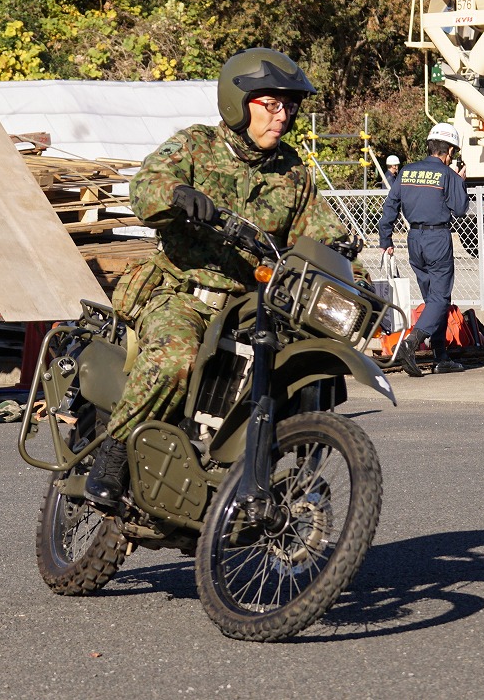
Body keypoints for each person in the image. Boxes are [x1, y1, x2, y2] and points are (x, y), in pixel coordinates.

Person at [84, 48, 358, 508]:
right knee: (176, 358)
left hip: (250, 305)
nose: (283, 115)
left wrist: (356, 275)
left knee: (298, 367)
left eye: (289, 106)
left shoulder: (292, 172)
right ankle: (112, 454)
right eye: (271, 104)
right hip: (180, 291)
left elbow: (323, 236)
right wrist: (179, 193)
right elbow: (145, 186)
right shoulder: (195, 145)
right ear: (238, 101)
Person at [377, 123, 469, 377]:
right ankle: (410, 342)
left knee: (433, 300)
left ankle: (441, 356)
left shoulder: (406, 172)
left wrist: (386, 240)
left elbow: (389, 208)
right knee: (440, 298)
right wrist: (460, 182)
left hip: (414, 239)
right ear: (449, 151)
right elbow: (460, 210)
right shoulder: (448, 175)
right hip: (438, 237)